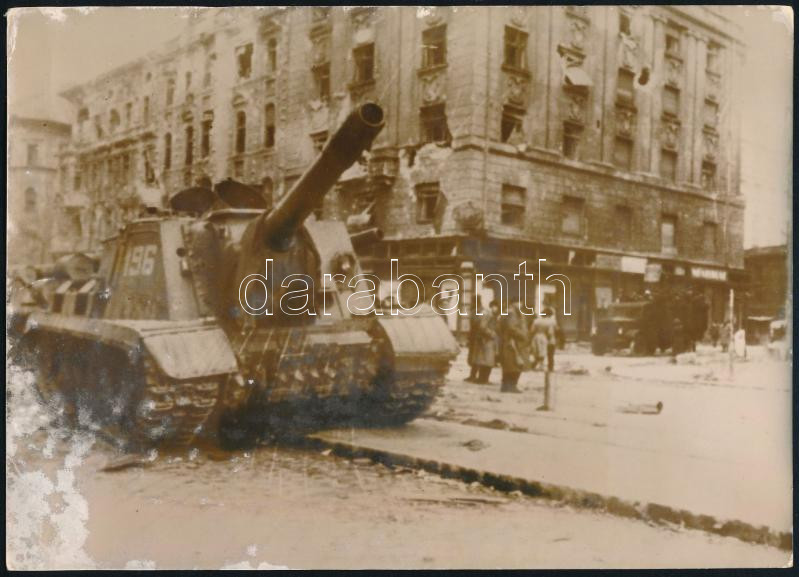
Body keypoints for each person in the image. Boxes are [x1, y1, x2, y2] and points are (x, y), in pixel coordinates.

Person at [499, 298, 529, 393]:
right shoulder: (512, 313)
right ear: (515, 303)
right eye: (520, 303)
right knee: (515, 365)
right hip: (514, 342)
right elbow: (511, 328)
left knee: (509, 365)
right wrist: (522, 335)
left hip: (510, 342)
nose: (521, 305)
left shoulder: (509, 312)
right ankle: (511, 385)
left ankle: (505, 386)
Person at [472, 300, 500, 384]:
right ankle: (483, 379)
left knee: (485, 360)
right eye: (496, 307)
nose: (496, 309)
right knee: (487, 360)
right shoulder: (488, 314)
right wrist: (491, 333)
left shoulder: (486, 313)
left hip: (485, 339)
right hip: (487, 340)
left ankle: (483, 379)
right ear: (492, 306)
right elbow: (482, 326)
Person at [532, 307, 558, 372]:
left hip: (537, 338)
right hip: (550, 340)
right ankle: (550, 367)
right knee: (550, 355)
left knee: (539, 353)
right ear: (550, 314)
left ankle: (534, 365)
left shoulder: (536, 321)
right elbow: (552, 332)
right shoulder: (552, 321)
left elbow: (532, 330)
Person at [465, 296, 483, 383]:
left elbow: (475, 324)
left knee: (475, 356)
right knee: (474, 356)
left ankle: (473, 375)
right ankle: (473, 375)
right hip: (475, 336)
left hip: (476, 336)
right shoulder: (478, 310)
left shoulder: (477, 311)